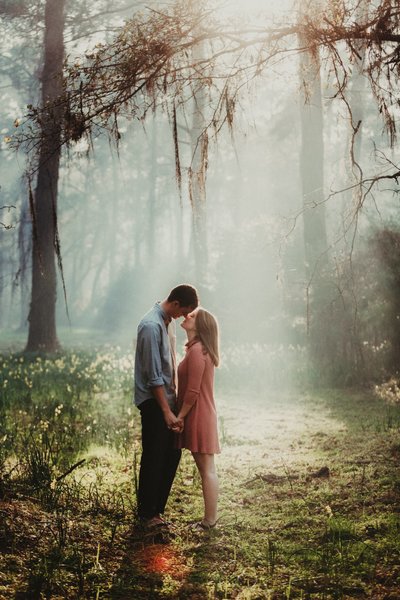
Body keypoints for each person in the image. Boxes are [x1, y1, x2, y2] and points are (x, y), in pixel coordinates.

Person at [134, 284, 199, 528]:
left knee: (171, 455)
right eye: (184, 312)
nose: (184, 318)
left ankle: (157, 511)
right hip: (154, 403)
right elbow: (153, 377)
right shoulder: (151, 326)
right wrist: (166, 412)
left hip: (168, 401)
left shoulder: (166, 323)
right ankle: (146, 515)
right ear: (175, 303)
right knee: (154, 456)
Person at [176, 307, 221, 530]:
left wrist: (179, 417)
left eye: (192, 316)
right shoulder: (196, 349)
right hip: (202, 413)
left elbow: (192, 392)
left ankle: (210, 520)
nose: (187, 316)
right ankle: (210, 519)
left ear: (200, 326)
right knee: (207, 469)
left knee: (206, 470)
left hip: (198, 414)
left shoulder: (197, 352)